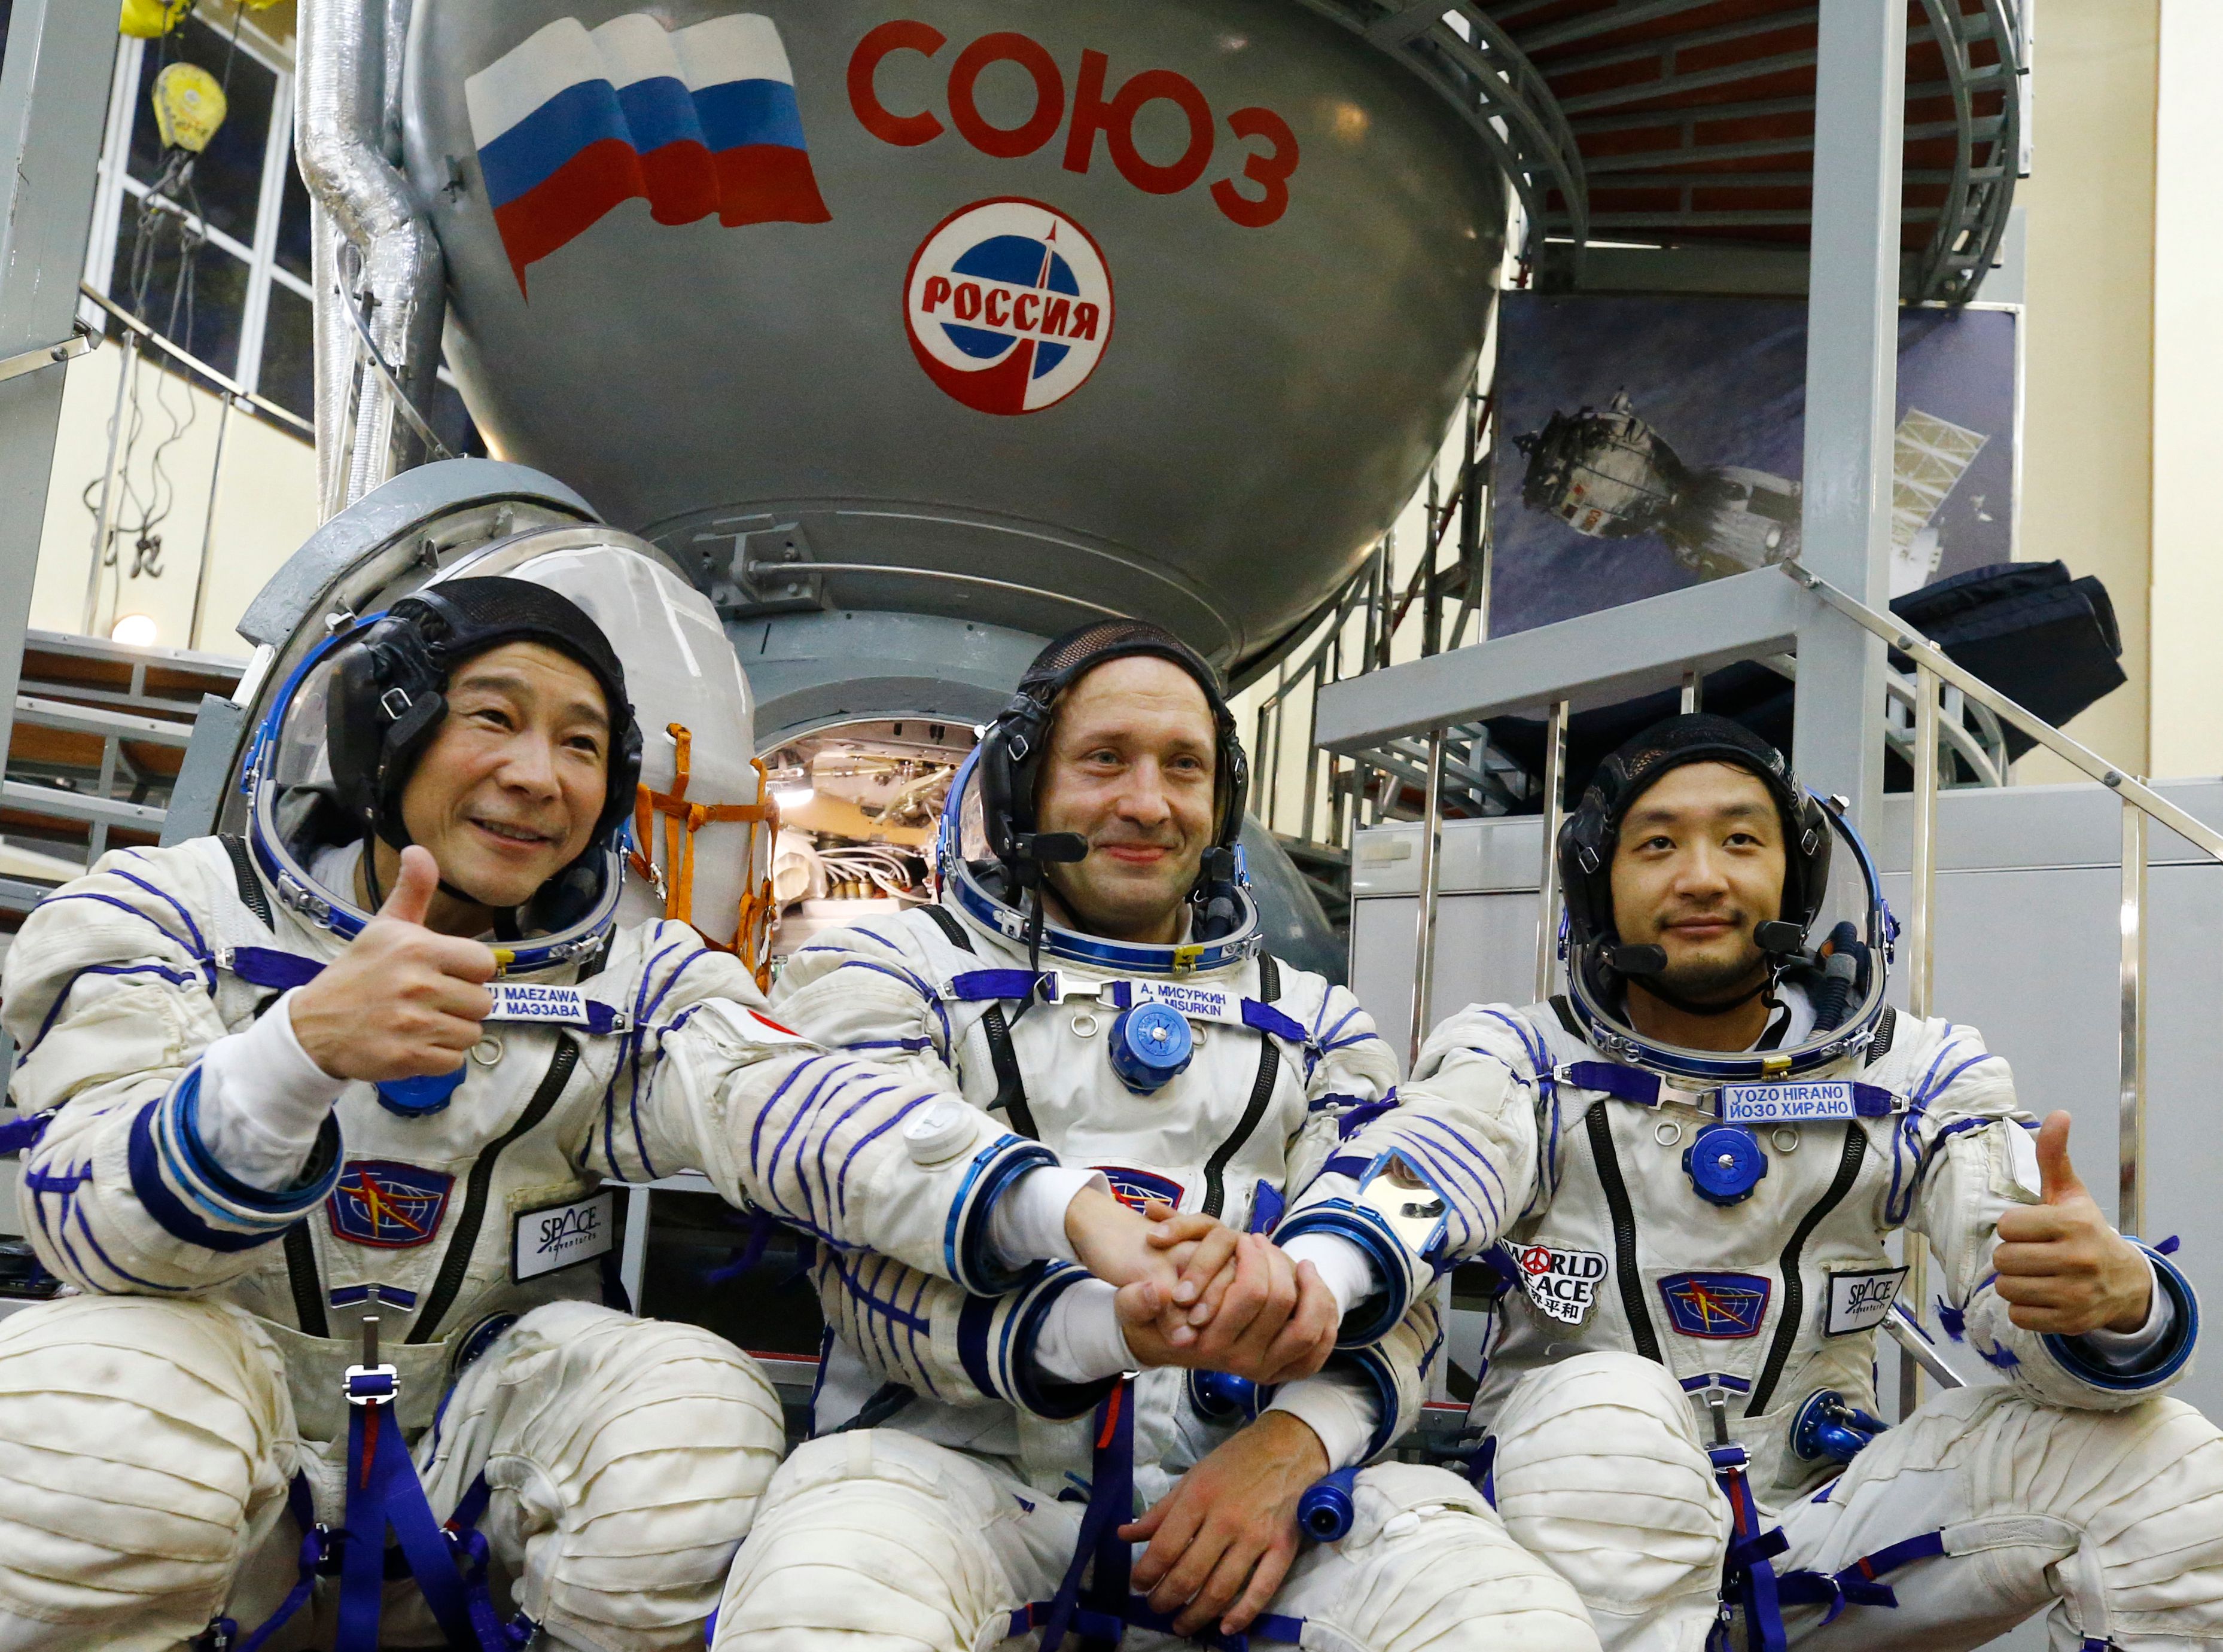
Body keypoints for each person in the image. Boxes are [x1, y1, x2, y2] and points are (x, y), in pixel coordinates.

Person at [0, 564, 1192, 1652]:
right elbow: (96, 1225)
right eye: (493, 718)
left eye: (581, 744)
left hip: (469, 1446)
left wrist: (1064, 1207)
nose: (538, 776)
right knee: (101, 1412)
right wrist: (295, 1054)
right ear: (383, 728)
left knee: (695, 1425)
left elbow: (805, 1103)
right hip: (218, 1436)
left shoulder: (632, 978)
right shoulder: (167, 916)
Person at [712, 620, 1600, 1651]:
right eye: (1103, 760)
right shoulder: (889, 971)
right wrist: (1105, 1298)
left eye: (1184, 767)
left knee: (1505, 1622)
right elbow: (864, 1241)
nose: (1146, 802)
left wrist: (1296, 1442)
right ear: (1022, 787)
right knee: (825, 1603)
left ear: (1220, 805)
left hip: (1255, 1495)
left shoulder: (1316, 1023)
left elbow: (1406, 1276)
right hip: (954, 1479)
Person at [1278, 713, 2223, 1651]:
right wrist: (1323, 1267)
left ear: (1794, 876)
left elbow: (2016, 1275)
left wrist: (2114, 1303)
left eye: (1741, 839)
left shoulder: (1920, 1074)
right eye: (1657, 844)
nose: (1701, 876)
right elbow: (1429, 1168)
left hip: (1820, 1535)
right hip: (1569, 1554)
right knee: (1607, 1416)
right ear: (1598, 884)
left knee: (2169, 1467)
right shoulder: (1523, 1061)